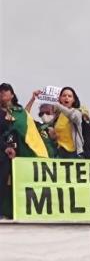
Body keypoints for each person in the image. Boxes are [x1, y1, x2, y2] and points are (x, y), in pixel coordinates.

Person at [1, 83, 50, 218]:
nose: (3, 93)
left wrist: (33, 99)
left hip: (22, 151)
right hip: (4, 152)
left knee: (21, 181)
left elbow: (25, 117)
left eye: (6, 90)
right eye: (0, 91)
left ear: (12, 94)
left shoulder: (19, 110)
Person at [27, 87, 89, 158]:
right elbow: (25, 117)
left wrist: (58, 106)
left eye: (69, 96)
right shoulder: (58, 116)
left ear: (74, 100)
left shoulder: (77, 112)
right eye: (64, 96)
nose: (66, 98)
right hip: (61, 153)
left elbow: (71, 115)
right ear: (60, 99)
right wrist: (33, 99)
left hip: (74, 154)